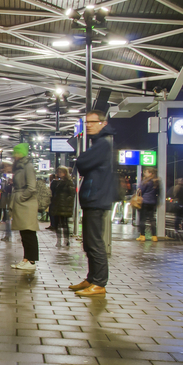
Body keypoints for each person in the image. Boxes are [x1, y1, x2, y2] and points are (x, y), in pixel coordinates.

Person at [70, 109, 116, 297]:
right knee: (89, 242)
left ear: (103, 123)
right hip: (93, 199)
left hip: (97, 199)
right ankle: (91, 278)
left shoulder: (103, 144)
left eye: (92, 122)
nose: (88, 125)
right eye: (86, 122)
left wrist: (81, 160)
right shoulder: (99, 143)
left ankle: (99, 283)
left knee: (95, 242)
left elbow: (81, 163)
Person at [9, 144, 39, 270]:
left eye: (17, 152)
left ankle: (31, 261)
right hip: (22, 203)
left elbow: (31, 186)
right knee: (24, 232)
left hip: (26, 204)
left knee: (28, 232)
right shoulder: (20, 167)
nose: (15, 155)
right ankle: (26, 259)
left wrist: (22, 197)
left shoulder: (27, 166)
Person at [52, 166, 76, 247]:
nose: (58, 173)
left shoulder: (69, 182)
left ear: (64, 173)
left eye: (60, 172)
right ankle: (59, 240)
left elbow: (72, 194)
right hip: (58, 206)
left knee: (64, 224)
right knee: (58, 224)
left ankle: (66, 240)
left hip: (64, 206)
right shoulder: (58, 182)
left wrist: (65, 202)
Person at [136, 168, 161, 242]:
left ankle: (142, 236)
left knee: (142, 219)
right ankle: (154, 236)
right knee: (152, 219)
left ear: (150, 173)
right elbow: (159, 193)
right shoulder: (157, 182)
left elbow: (140, 190)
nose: (144, 174)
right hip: (152, 202)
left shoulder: (146, 181)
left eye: (146, 172)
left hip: (144, 202)